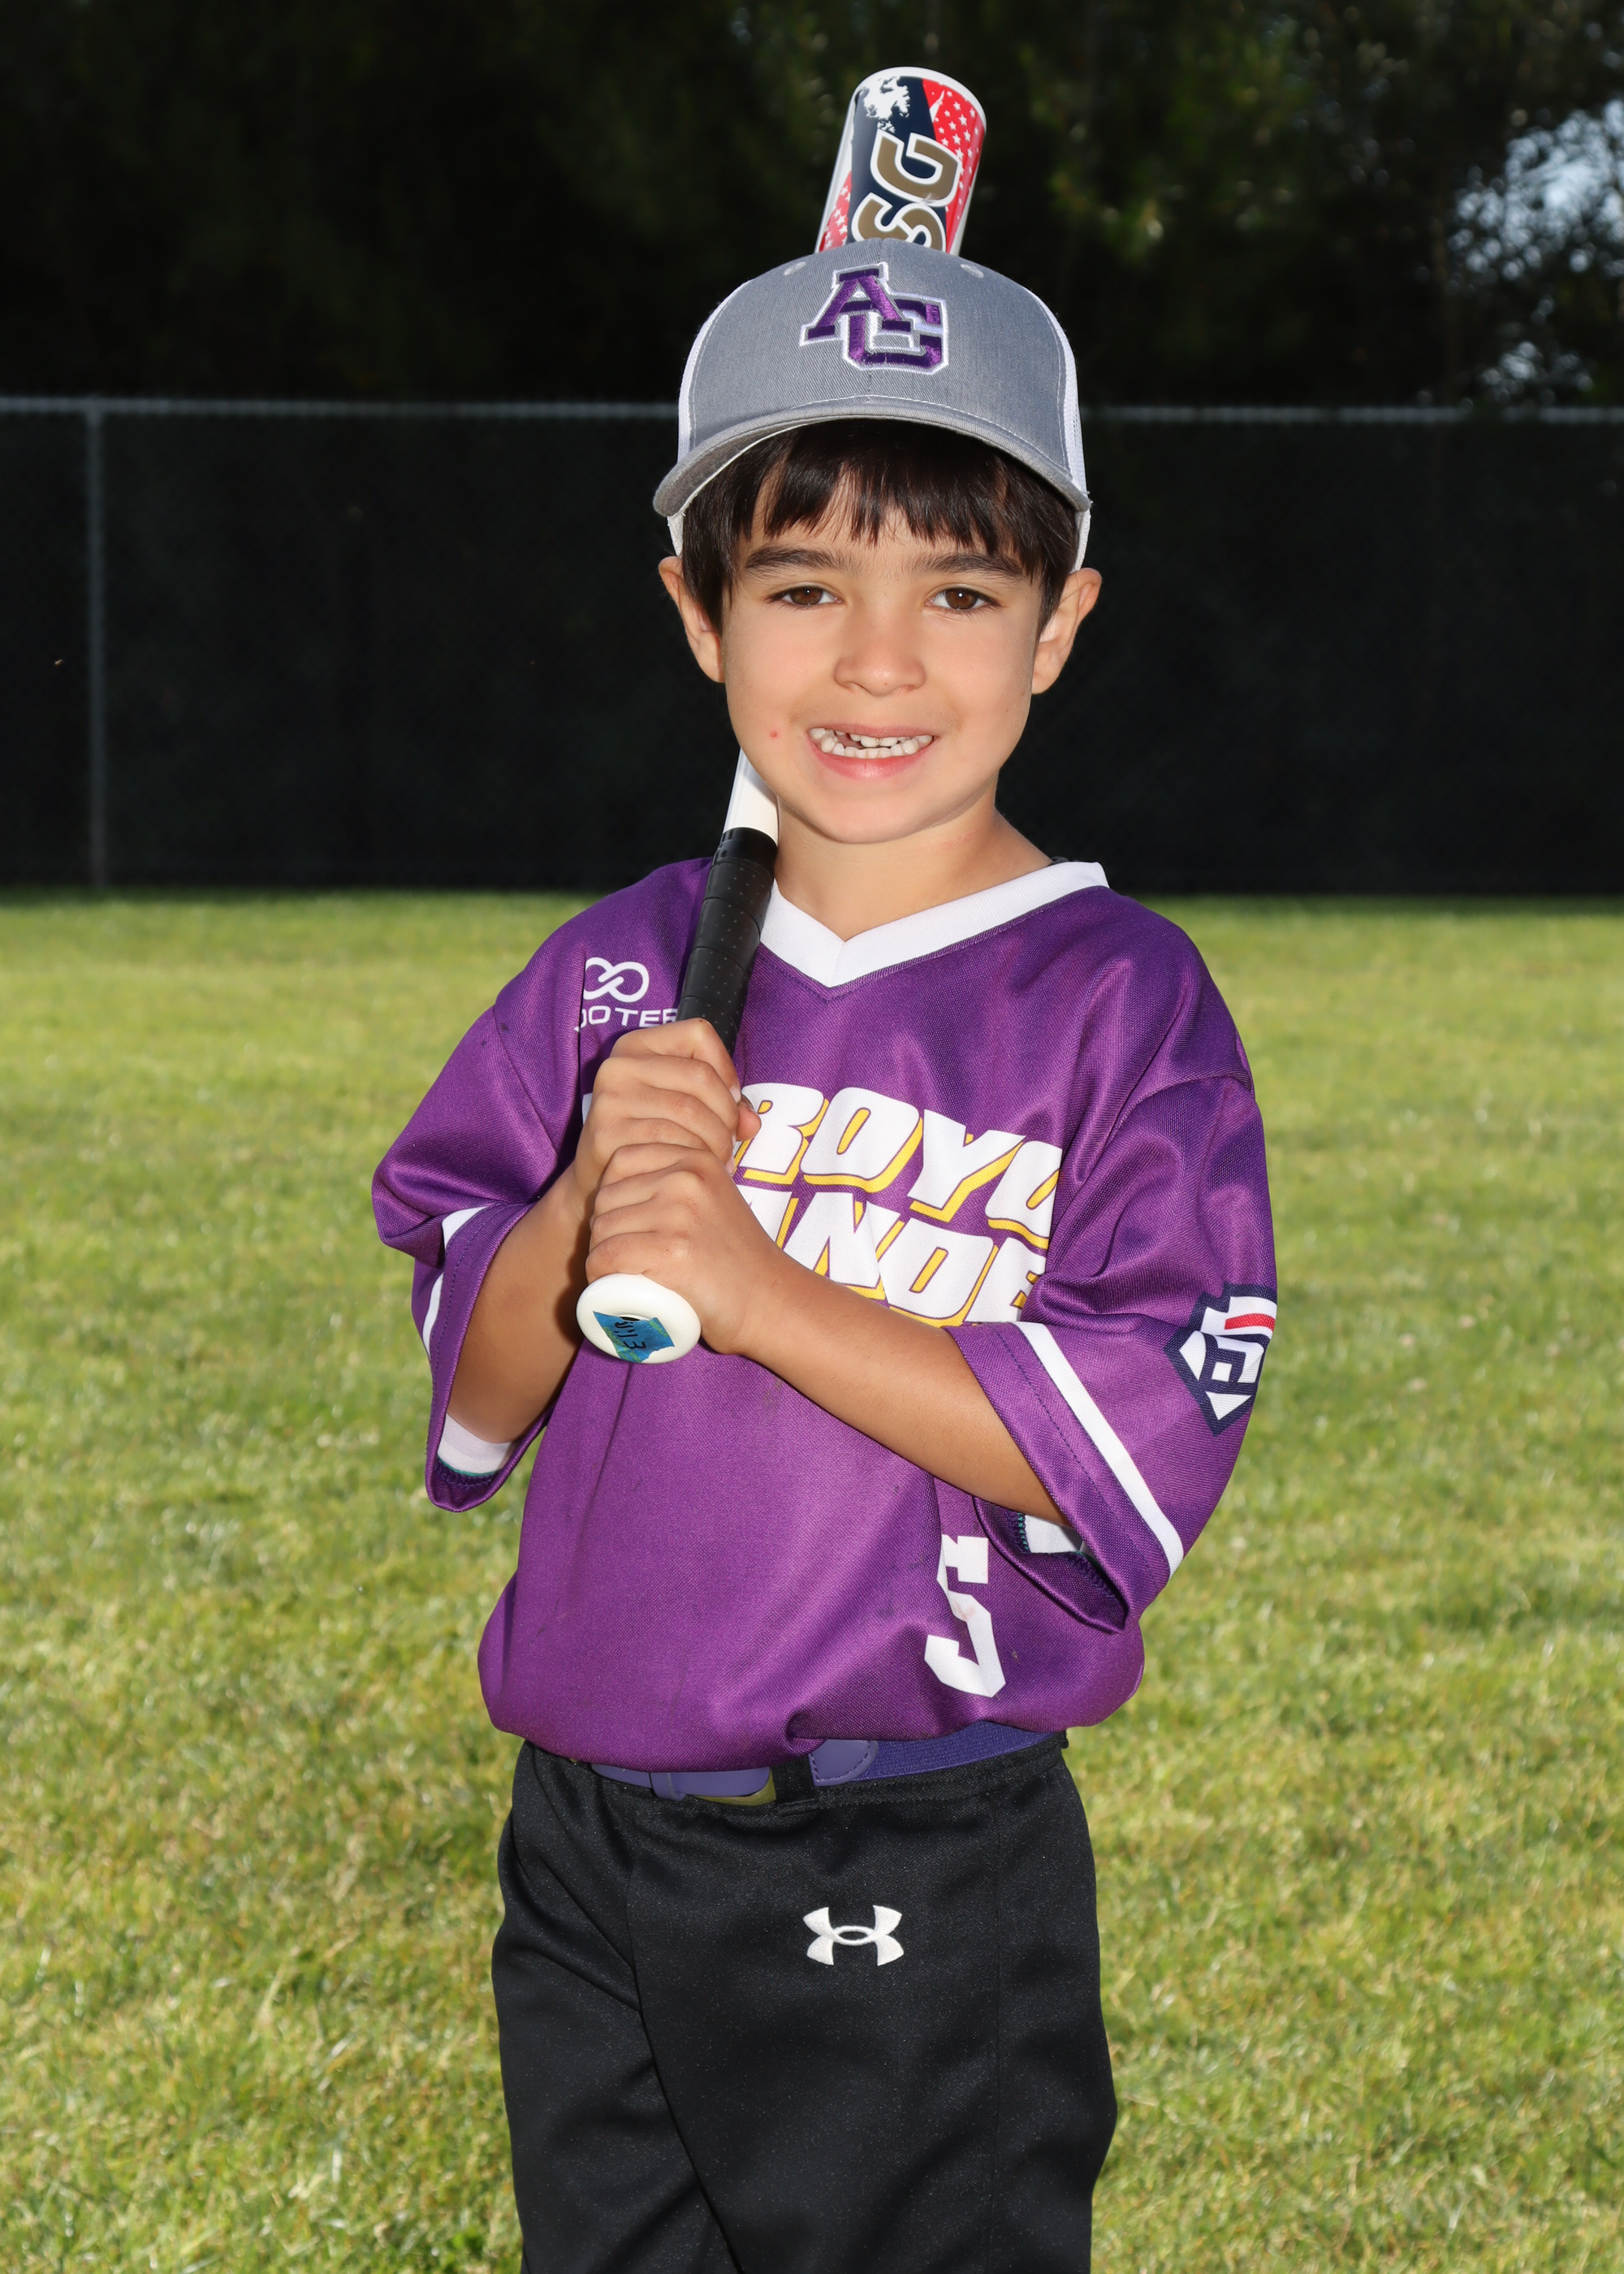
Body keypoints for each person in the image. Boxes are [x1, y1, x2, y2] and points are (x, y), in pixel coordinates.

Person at [374, 240, 1275, 2273]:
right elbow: (483, 1391)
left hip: (910, 1828)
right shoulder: (620, 970)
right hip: (588, 1833)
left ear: (1060, 623)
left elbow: (1116, 1442)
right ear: (700, 614)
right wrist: (583, 1205)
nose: (877, 664)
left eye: (957, 592)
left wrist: (760, 1285)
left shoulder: (1117, 1001)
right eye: (800, 588)